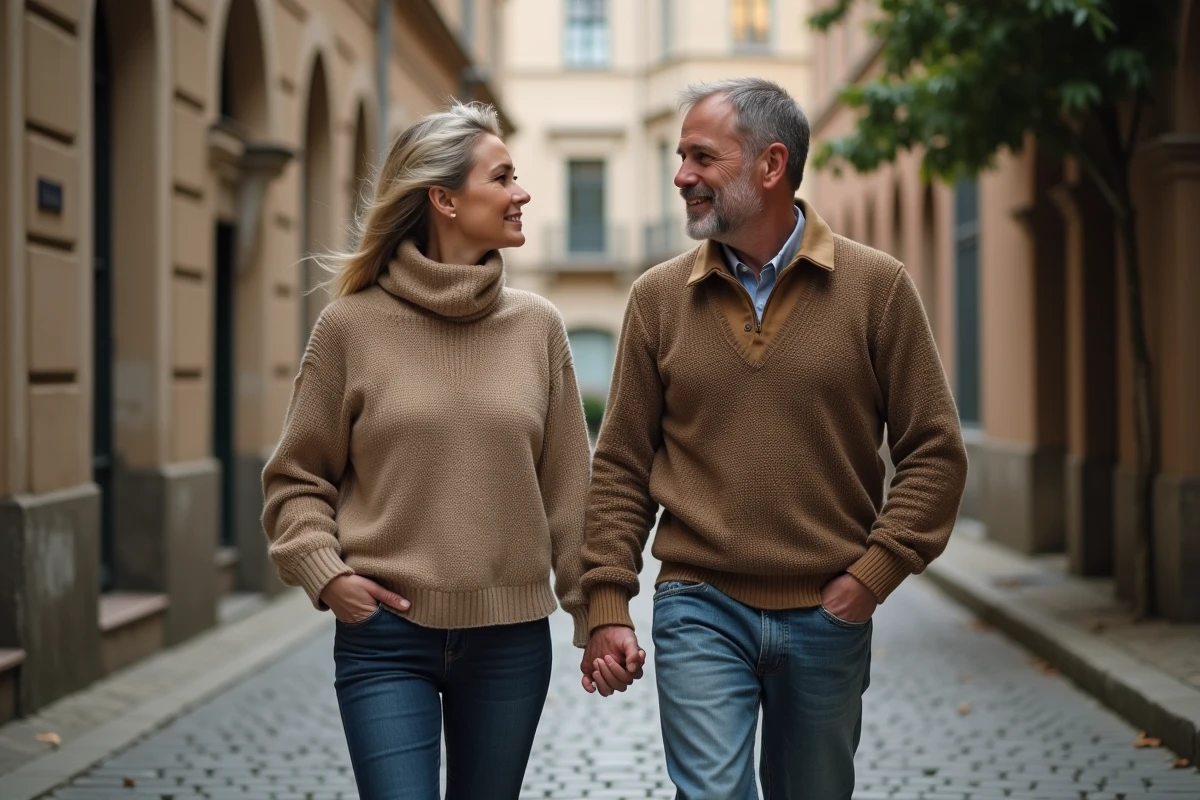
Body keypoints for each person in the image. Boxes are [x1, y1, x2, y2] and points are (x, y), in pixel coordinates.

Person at [578, 78, 969, 799]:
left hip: (828, 609)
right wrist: (606, 602)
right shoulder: (657, 299)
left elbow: (935, 453)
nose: (681, 176)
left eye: (702, 157)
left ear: (771, 165)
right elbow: (623, 465)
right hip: (699, 602)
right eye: (680, 156)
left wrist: (869, 578)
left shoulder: (876, 287)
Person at [261, 101, 592, 800]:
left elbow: (572, 496)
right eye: (502, 177)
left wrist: (599, 615)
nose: (522, 192)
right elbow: (296, 480)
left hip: (509, 643)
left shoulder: (539, 329)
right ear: (443, 198)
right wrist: (326, 573)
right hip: (385, 640)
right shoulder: (348, 328)